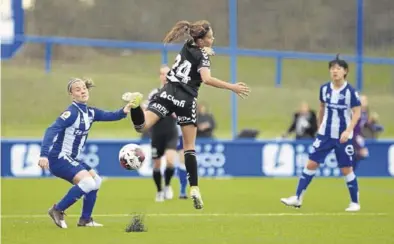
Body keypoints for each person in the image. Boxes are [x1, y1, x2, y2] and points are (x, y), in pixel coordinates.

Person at [122, 20, 250, 209]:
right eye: (210, 37)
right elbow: (206, 78)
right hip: (187, 99)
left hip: (167, 92)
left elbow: (196, 55)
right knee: (189, 147)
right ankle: (195, 188)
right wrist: (232, 86)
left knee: (141, 126)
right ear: (201, 40)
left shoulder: (188, 45)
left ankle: (135, 106)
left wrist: (206, 51)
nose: (213, 39)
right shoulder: (203, 57)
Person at [37, 78, 134, 228]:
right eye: (77, 89)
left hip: (70, 158)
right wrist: (43, 154)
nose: (82, 91)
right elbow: (51, 130)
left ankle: (85, 220)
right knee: (88, 182)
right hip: (59, 158)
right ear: (71, 94)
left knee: (96, 181)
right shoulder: (71, 113)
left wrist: (125, 110)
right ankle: (57, 209)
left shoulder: (90, 112)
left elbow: (111, 115)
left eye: (84, 88)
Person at [280, 55, 362, 212]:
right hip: (325, 134)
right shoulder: (324, 89)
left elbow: (357, 113)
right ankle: (297, 197)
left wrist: (348, 130)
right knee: (311, 163)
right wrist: (319, 126)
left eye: (338, 68)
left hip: (343, 136)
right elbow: (322, 108)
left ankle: (355, 202)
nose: (335, 71)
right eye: (332, 68)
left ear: (345, 72)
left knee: (346, 169)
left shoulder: (350, 92)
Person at [145, 86, 179, 202]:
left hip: (171, 132)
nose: (165, 77)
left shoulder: (177, 93)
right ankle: (159, 191)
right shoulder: (154, 94)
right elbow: (147, 111)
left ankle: (167, 186)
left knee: (170, 160)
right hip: (156, 134)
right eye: (163, 74)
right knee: (157, 164)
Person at [352, 95, 370, 170]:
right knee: (362, 154)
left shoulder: (365, 113)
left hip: (358, 136)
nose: (364, 102)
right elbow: (354, 129)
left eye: (365, 100)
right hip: (353, 136)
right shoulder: (356, 113)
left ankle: (350, 173)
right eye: (362, 100)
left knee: (362, 155)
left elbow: (362, 125)